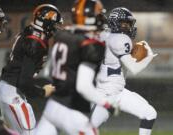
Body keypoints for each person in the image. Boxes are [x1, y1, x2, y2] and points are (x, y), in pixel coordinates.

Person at [35, 0, 118, 135]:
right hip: (72, 111)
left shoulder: (63, 35)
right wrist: (108, 104)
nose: (102, 19)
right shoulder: (90, 45)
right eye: (99, 15)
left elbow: (49, 72)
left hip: (52, 106)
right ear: (91, 18)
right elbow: (83, 87)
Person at [0, 4, 63, 135]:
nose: (56, 28)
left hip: (8, 90)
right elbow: (24, 82)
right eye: (55, 24)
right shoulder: (36, 41)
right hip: (12, 93)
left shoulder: (30, 31)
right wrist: (43, 91)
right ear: (47, 22)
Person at [90, 7, 157, 135]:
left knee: (149, 113)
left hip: (118, 92)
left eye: (129, 24)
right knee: (86, 130)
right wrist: (149, 57)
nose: (129, 27)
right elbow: (134, 68)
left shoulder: (107, 36)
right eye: (125, 23)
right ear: (115, 23)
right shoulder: (119, 39)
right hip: (105, 95)